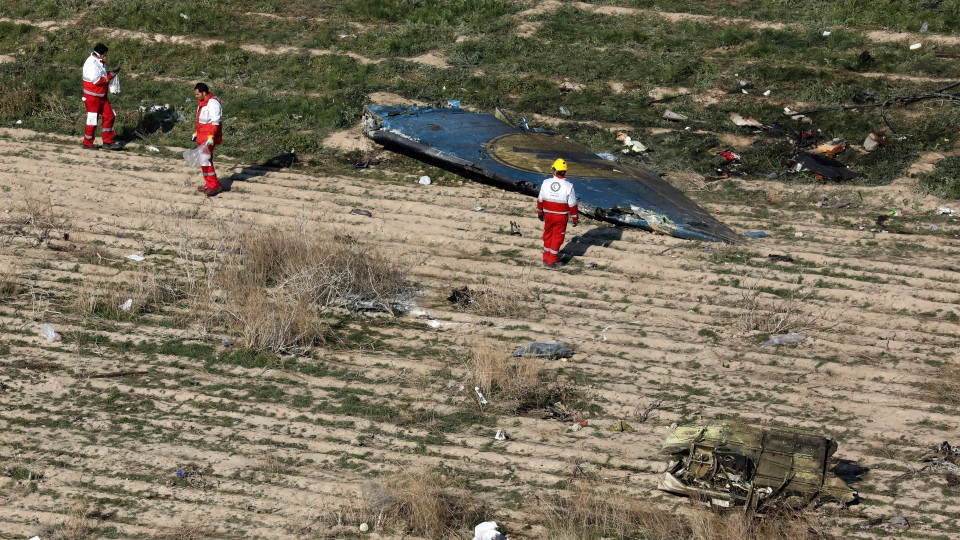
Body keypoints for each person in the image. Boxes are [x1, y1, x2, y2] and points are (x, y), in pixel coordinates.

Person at [536, 158, 578, 267]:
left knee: (548, 234)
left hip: (548, 215)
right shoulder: (569, 186)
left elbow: (540, 200)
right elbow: (572, 204)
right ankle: (552, 261)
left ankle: (545, 257)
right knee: (557, 238)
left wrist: (540, 213)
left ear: (554, 170)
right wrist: (575, 218)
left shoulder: (546, 183)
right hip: (561, 217)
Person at [81, 43, 121, 150]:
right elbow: (98, 81)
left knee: (110, 116)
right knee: (92, 121)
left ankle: (107, 142)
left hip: (102, 97)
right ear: (99, 54)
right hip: (92, 98)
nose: (105, 56)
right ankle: (87, 143)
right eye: (104, 55)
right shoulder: (91, 64)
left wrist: (110, 73)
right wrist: (110, 76)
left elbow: (102, 75)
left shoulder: (100, 63)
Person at [193, 82, 223, 196]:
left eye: (197, 94)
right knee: (203, 160)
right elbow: (201, 121)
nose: (196, 96)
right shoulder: (202, 103)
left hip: (208, 137)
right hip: (202, 136)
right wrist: (196, 132)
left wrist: (211, 137)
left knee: (206, 159)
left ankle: (215, 185)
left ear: (203, 93)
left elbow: (215, 121)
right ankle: (209, 183)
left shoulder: (213, 103)